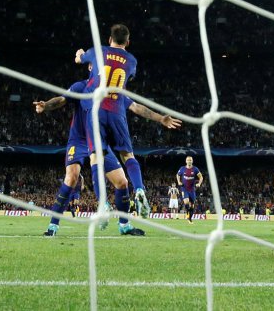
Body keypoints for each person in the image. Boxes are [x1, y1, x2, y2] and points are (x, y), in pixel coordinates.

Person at [35, 77, 180, 237]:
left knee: (122, 182)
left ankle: (124, 225)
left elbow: (136, 107)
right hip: (79, 141)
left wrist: (160, 118)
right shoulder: (80, 86)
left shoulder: (113, 91)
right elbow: (62, 99)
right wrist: (46, 105)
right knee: (71, 178)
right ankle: (53, 226)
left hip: (99, 143)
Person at [76, 24, 151, 217]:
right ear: (128, 41)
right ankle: (140, 189)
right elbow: (127, 76)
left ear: (109, 39)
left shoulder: (99, 51)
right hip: (117, 110)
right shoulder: (132, 60)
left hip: (97, 110)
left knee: (96, 157)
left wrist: (80, 54)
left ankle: (102, 203)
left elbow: (80, 59)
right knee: (128, 155)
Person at [176, 156, 203, 224]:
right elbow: (177, 175)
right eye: (188, 160)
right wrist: (179, 182)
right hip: (184, 188)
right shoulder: (182, 169)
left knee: (192, 205)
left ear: (192, 161)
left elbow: (201, 177)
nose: (189, 161)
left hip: (192, 189)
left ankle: (189, 219)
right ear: (186, 161)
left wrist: (199, 183)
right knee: (186, 202)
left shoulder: (195, 169)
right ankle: (188, 213)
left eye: (190, 160)